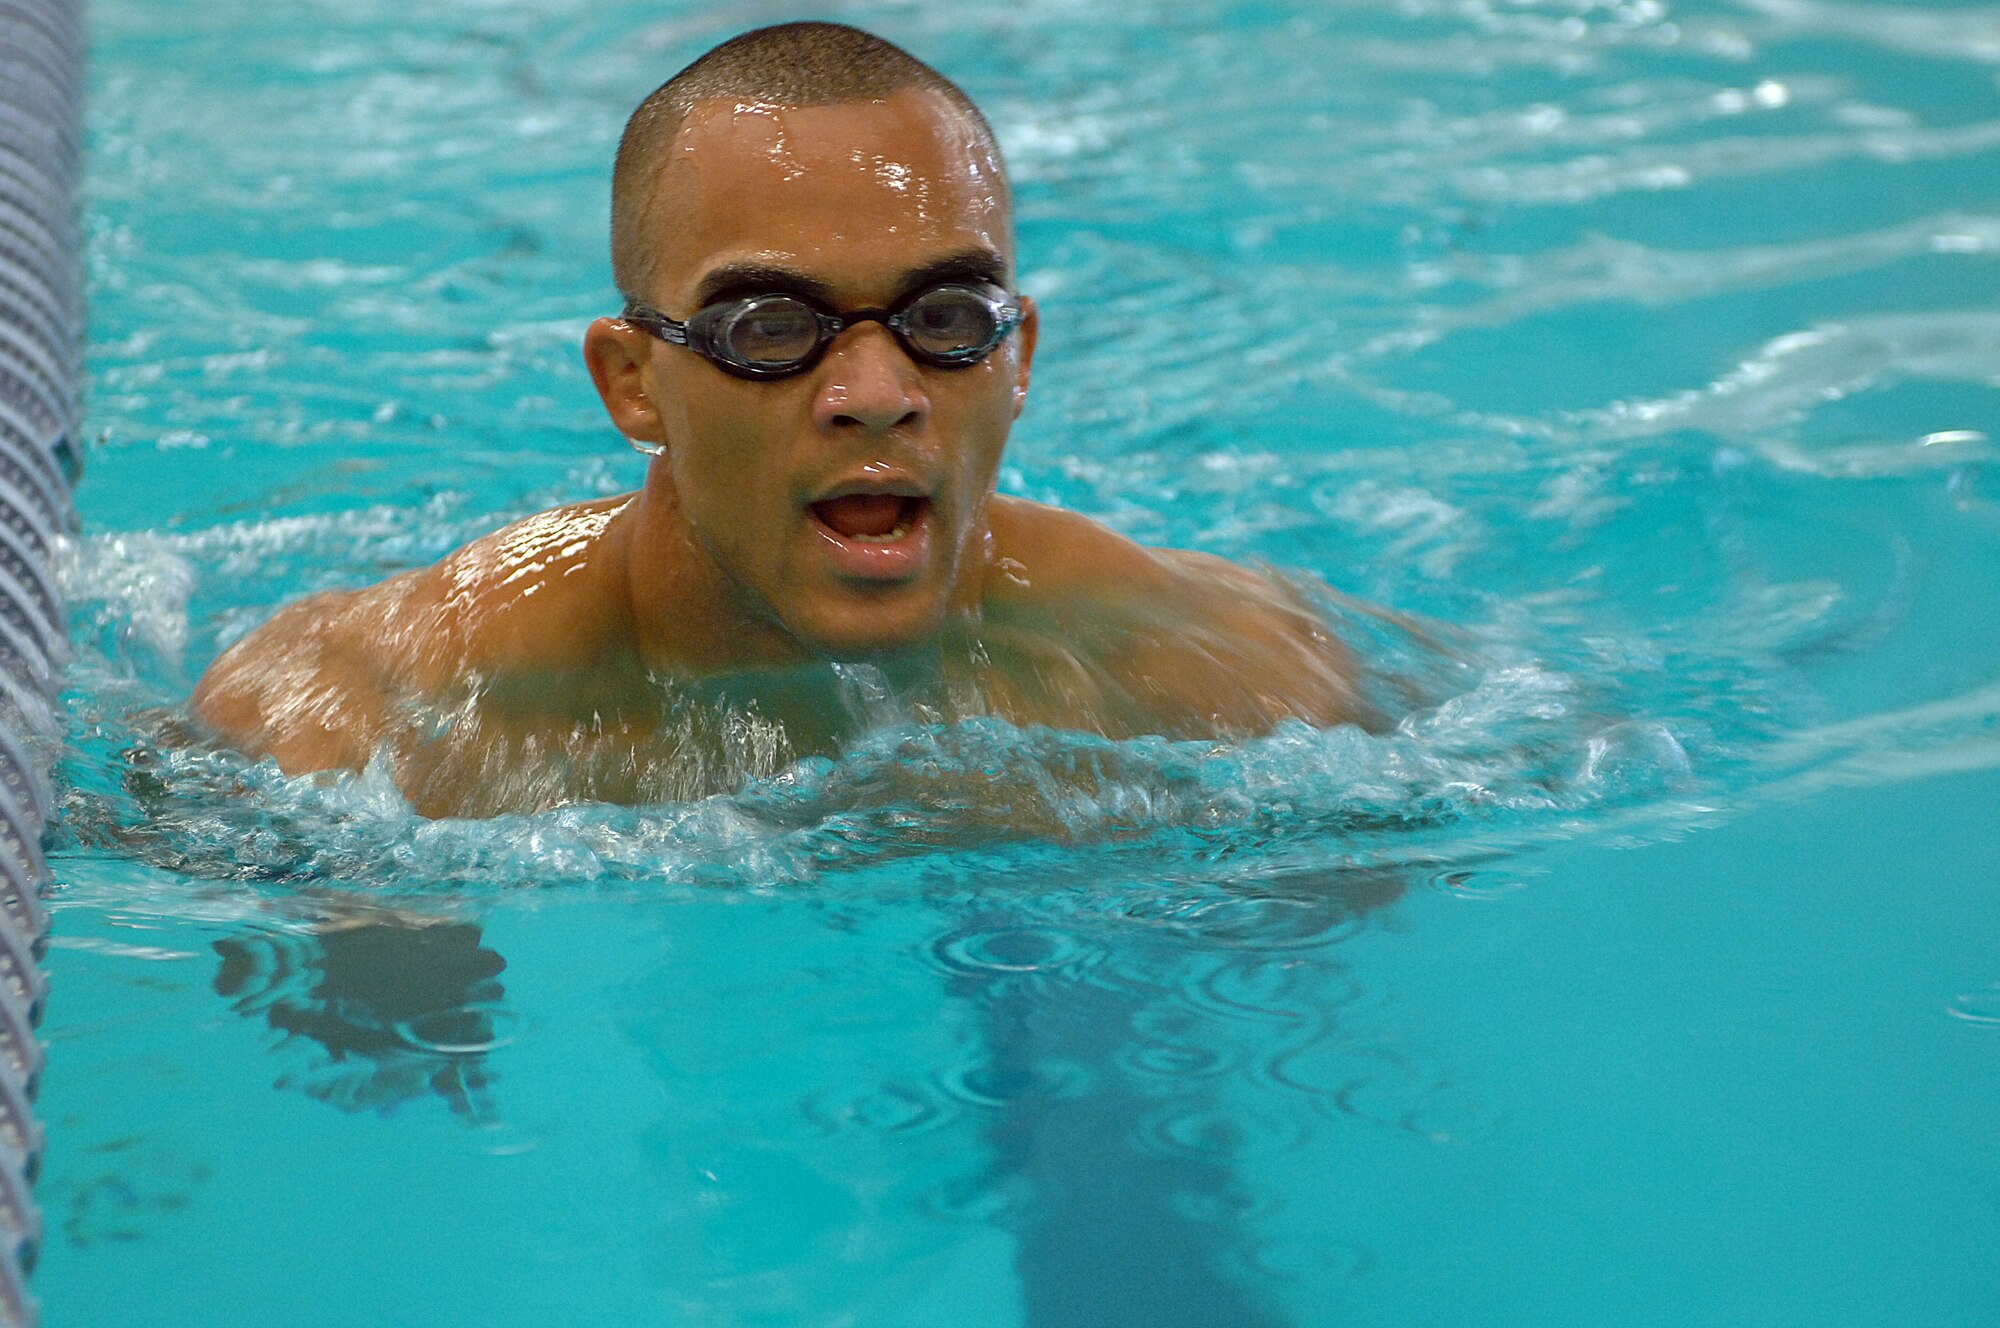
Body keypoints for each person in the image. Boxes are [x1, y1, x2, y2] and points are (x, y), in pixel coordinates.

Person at [192, 22, 1371, 818]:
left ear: (1016, 360)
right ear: (632, 384)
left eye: (945, 315)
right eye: (770, 324)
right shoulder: (380, 730)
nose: (876, 391)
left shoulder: (1221, 681)